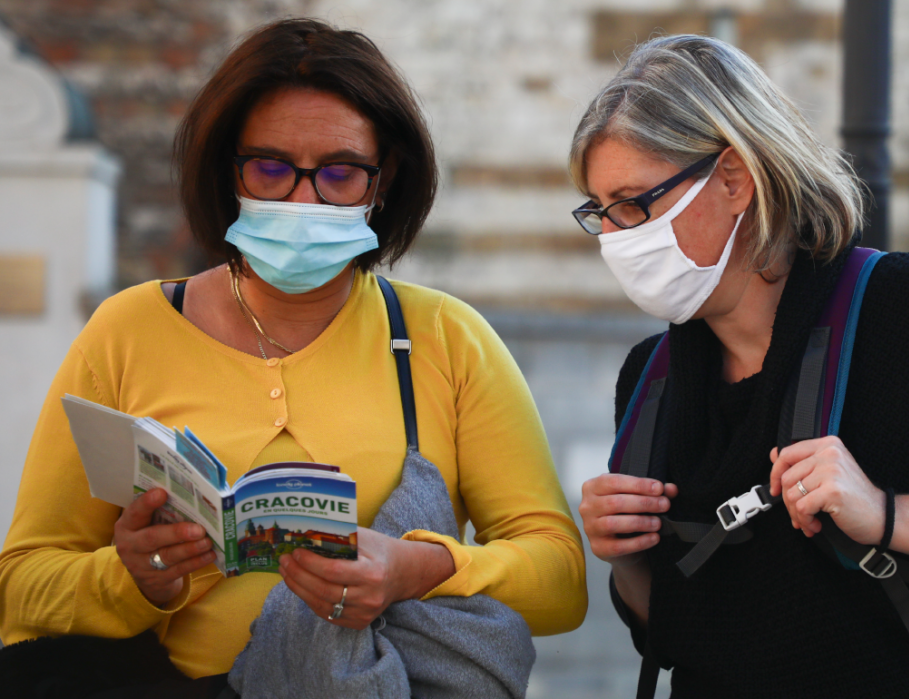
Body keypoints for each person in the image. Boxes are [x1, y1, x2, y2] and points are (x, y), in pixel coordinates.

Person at [0, 18, 586, 686]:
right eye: (272, 168)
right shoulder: (127, 329)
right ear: (230, 171)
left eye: (339, 173)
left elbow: (561, 579)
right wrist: (135, 576)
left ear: (383, 178)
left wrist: (414, 569)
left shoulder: (446, 338)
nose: (304, 198)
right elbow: (22, 583)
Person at [573, 35, 909, 698]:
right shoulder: (651, 379)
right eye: (600, 214)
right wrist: (625, 559)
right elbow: (675, 638)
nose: (617, 242)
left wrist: (883, 513)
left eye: (634, 206)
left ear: (733, 179)